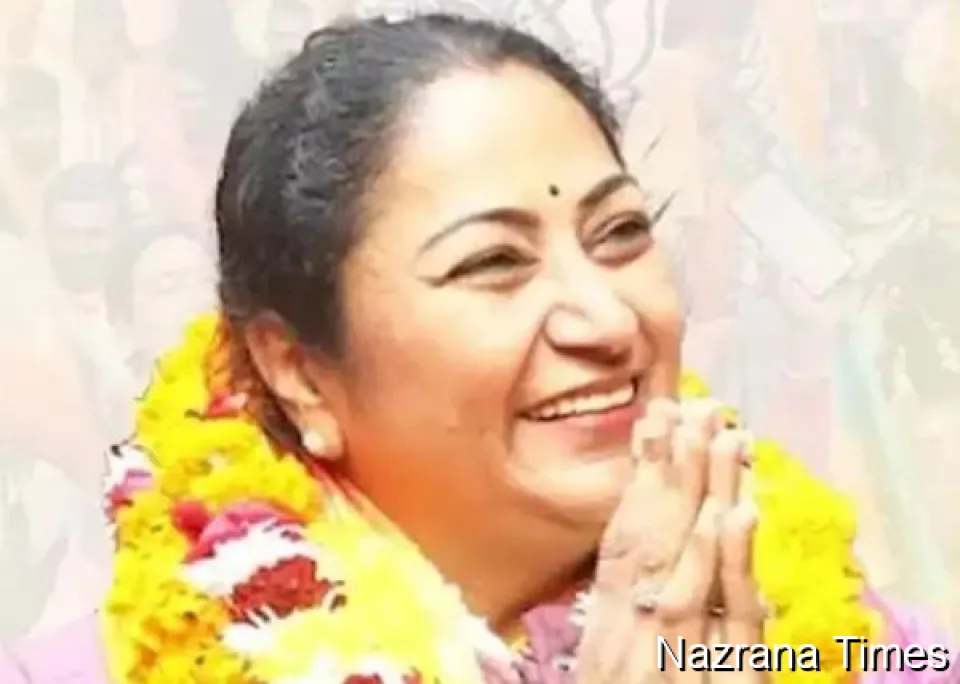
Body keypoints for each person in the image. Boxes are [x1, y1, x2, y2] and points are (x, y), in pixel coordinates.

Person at [0, 13, 954, 683]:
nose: (607, 319)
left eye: (621, 232)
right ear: (299, 373)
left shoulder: (853, 644)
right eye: (495, 262)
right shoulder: (101, 670)